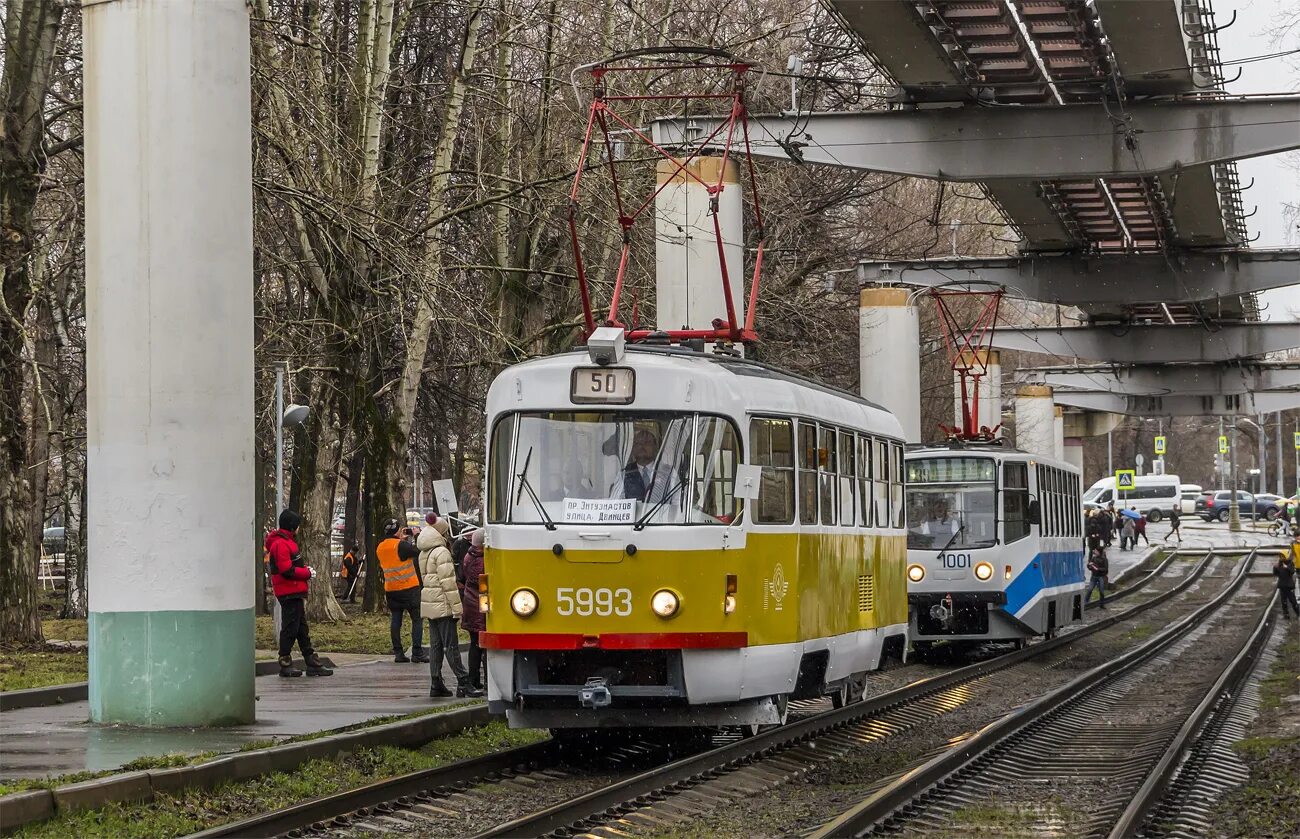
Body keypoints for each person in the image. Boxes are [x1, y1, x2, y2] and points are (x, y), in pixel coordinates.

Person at [265, 510, 333, 677]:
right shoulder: (282, 544)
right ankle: (285, 661)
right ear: (292, 526)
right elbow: (286, 570)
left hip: (293, 590)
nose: (298, 529)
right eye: (297, 526)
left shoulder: (285, 542)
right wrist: (306, 573)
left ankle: (311, 660)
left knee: (301, 627)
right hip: (289, 590)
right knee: (291, 627)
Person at [419, 516, 481, 698]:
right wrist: (457, 608)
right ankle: (464, 682)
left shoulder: (424, 552)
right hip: (443, 603)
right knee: (451, 645)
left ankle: (436, 682)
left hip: (430, 602)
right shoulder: (442, 552)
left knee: (436, 645)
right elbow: (448, 584)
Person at [378, 519, 426, 663]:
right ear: (397, 531)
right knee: (417, 620)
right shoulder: (402, 545)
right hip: (409, 588)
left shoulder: (380, 547)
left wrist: (402, 541)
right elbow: (418, 551)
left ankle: (398, 653)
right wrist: (417, 536)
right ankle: (417, 653)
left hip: (391, 589)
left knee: (396, 620)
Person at [459, 528, 487, 693]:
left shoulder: (469, 556)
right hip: (478, 607)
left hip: (471, 604)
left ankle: (475, 679)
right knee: (479, 646)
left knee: (475, 645)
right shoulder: (480, 560)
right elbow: (484, 584)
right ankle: (476, 679)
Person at [622, 429, 670, 501]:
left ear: (655, 447)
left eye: (647, 442)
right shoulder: (624, 473)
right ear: (633, 448)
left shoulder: (668, 472)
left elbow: (678, 503)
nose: (642, 446)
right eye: (638, 443)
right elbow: (616, 502)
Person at [1273, 550, 1298, 620]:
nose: (1281, 558)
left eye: (1282, 556)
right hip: (1282, 586)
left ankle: (1298, 613)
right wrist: (1275, 567)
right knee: (1283, 601)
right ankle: (1286, 615)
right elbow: (1275, 573)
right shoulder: (1279, 564)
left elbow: (1292, 572)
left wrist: (1287, 567)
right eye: (1280, 556)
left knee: (1293, 601)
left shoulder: (1290, 563)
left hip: (1289, 586)